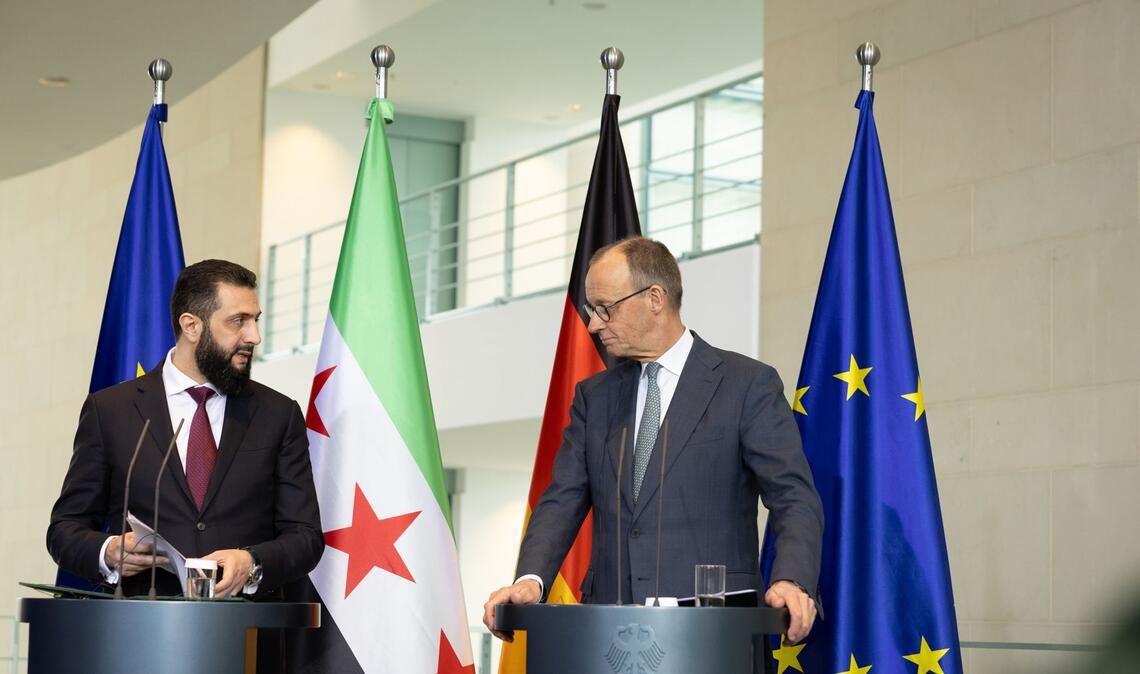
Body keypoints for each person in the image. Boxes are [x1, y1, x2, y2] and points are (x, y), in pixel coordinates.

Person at [483, 237, 824, 645]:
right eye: (592, 310)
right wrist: (530, 580)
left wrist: (791, 579)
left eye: (605, 308)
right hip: (608, 637)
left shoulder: (746, 385)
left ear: (655, 298)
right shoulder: (594, 397)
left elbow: (793, 497)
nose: (594, 324)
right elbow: (562, 499)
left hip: (711, 635)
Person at [47, 259, 324, 670]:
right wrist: (108, 551)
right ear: (191, 325)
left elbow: (305, 537)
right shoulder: (111, 411)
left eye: (256, 320)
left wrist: (252, 562)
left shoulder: (278, 414)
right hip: (137, 642)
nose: (255, 336)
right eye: (239, 321)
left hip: (248, 645)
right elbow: (64, 530)